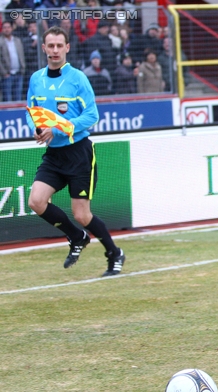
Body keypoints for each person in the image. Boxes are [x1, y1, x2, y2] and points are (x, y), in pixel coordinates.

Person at [26, 26, 125, 277]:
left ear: (67, 48)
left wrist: (57, 130)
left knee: (82, 214)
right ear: (44, 48)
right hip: (54, 155)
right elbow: (31, 112)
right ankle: (76, 237)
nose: (55, 50)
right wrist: (37, 130)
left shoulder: (78, 78)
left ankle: (114, 253)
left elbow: (92, 115)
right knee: (36, 201)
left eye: (60, 45)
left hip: (79, 153)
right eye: (51, 45)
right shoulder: (36, 79)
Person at [0, 21, 26, 102]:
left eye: (8, 27)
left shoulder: (17, 40)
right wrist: (4, 72)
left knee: (18, 97)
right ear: (2, 29)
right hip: (7, 74)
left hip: (19, 73)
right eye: (5, 28)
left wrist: (22, 69)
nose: (7, 29)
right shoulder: (0, 42)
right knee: (7, 98)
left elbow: (21, 55)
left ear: (11, 28)